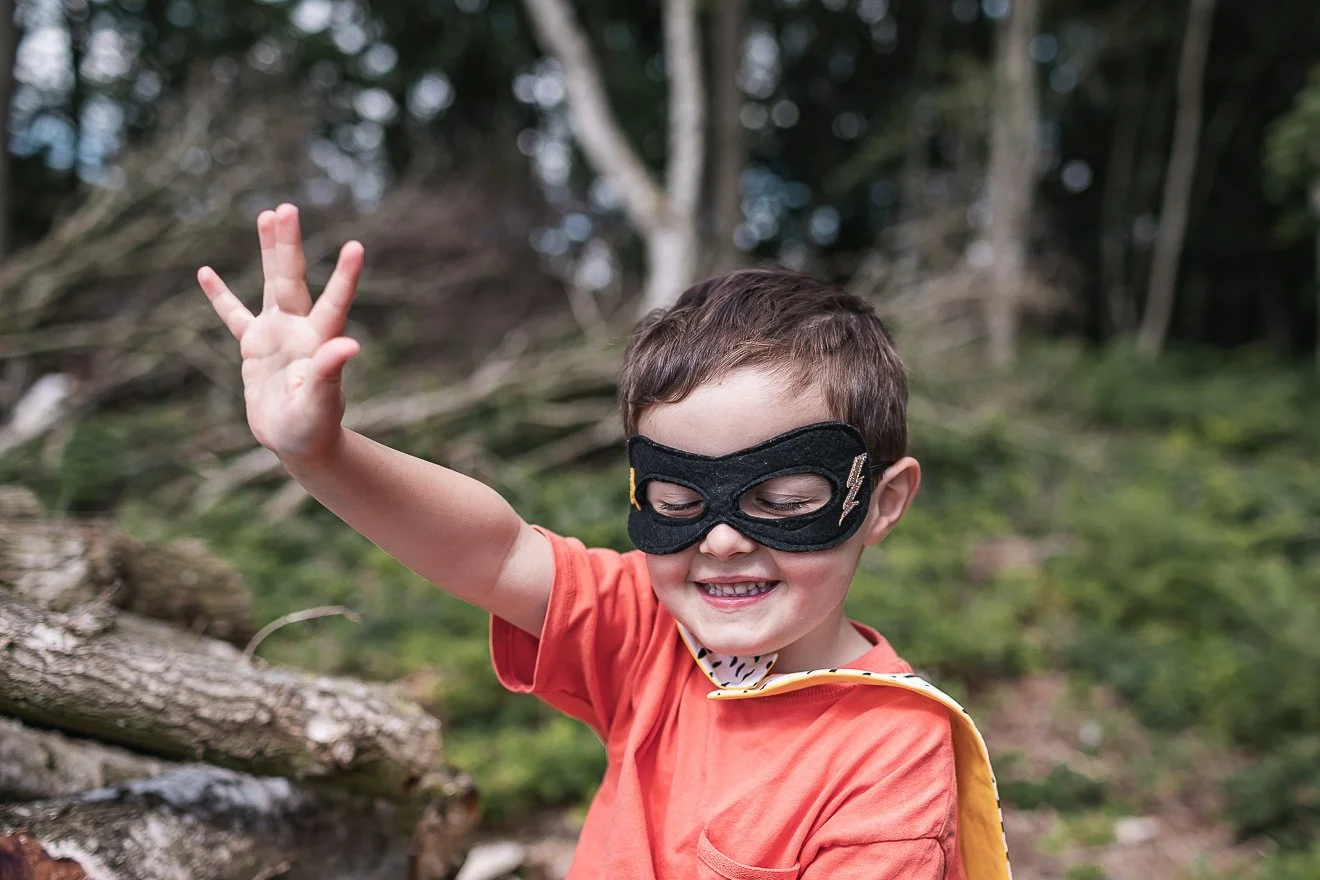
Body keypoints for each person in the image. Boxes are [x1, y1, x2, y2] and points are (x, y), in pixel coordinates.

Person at [198, 203, 1012, 880]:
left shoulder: (890, 756)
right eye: (677, 499)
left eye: (783, 500)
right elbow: (497, 552)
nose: (722, 540)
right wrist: (321, 452)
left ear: (882, 500)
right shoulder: (655, 630)